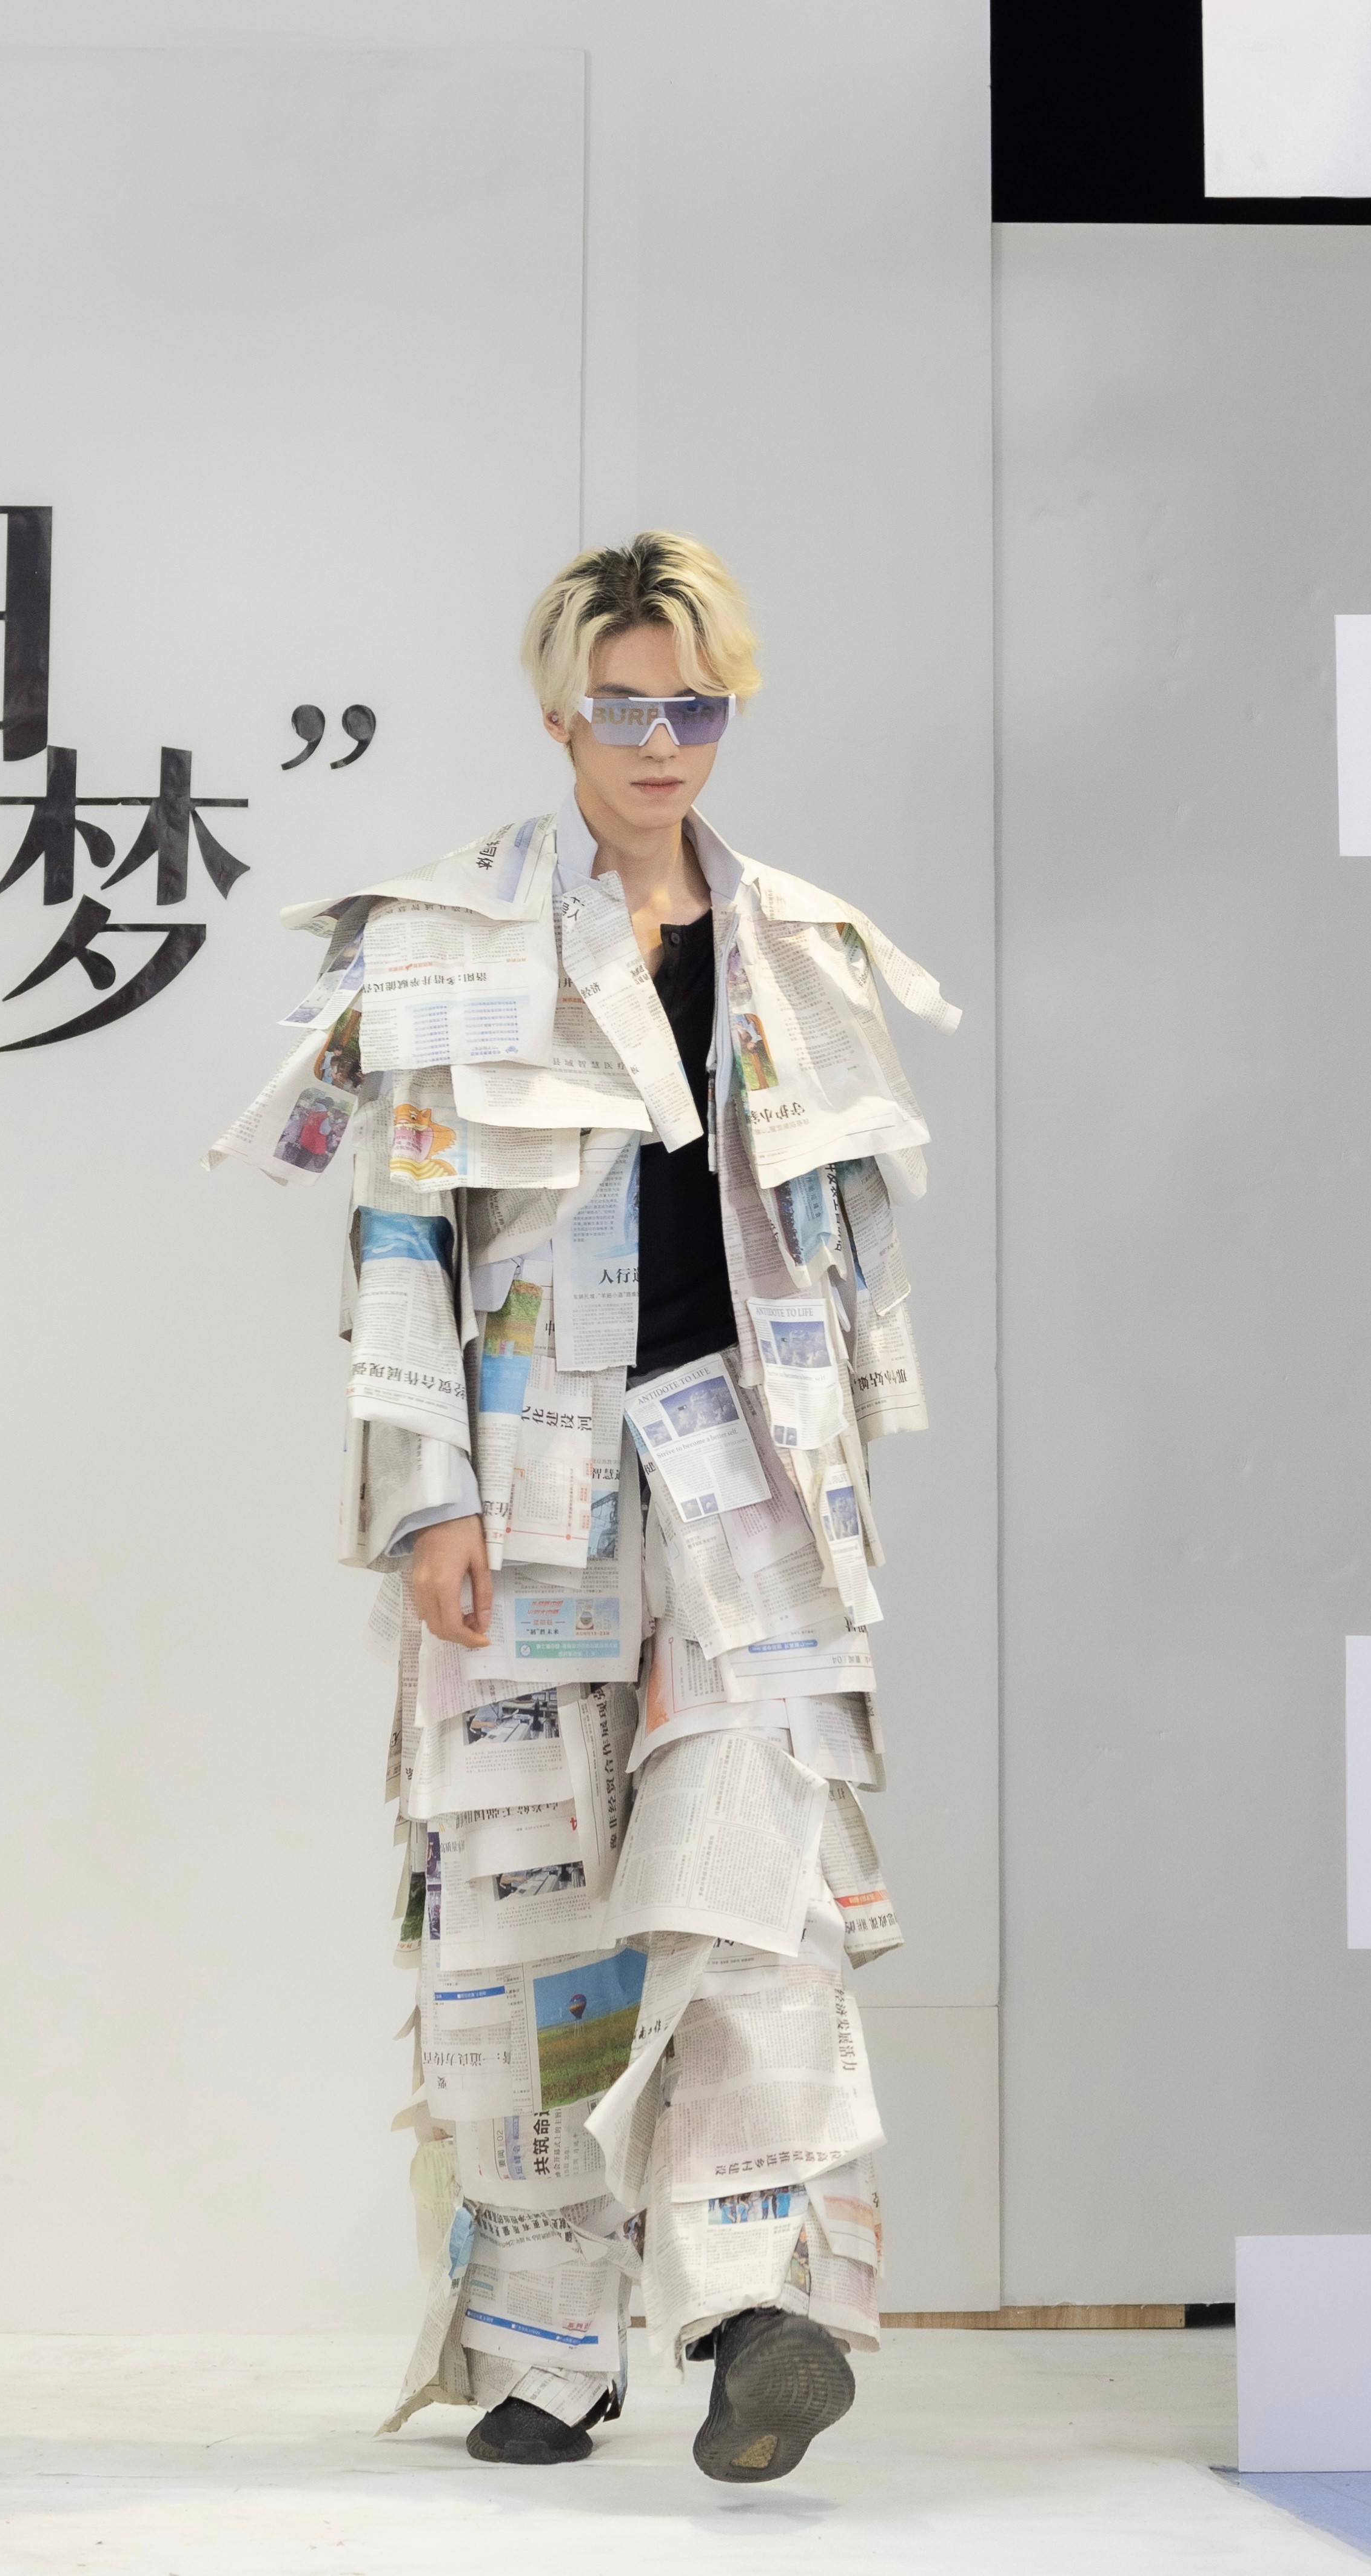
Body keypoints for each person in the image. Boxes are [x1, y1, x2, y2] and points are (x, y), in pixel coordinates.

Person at [212, 532, 958, 2481]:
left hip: (748, 1484)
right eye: (623, 705)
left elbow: (847, 1254)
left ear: (729, 712)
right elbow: (400, 1241)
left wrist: (842, 1460)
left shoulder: (805, 949)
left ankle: (760, 2314)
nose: (658, 740)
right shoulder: (449, 944)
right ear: (561, 715)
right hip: (533, 1487)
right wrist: (427, 1504)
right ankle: (549, 2343)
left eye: (692, 704)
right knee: (524, 1901)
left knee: (751, 1889)